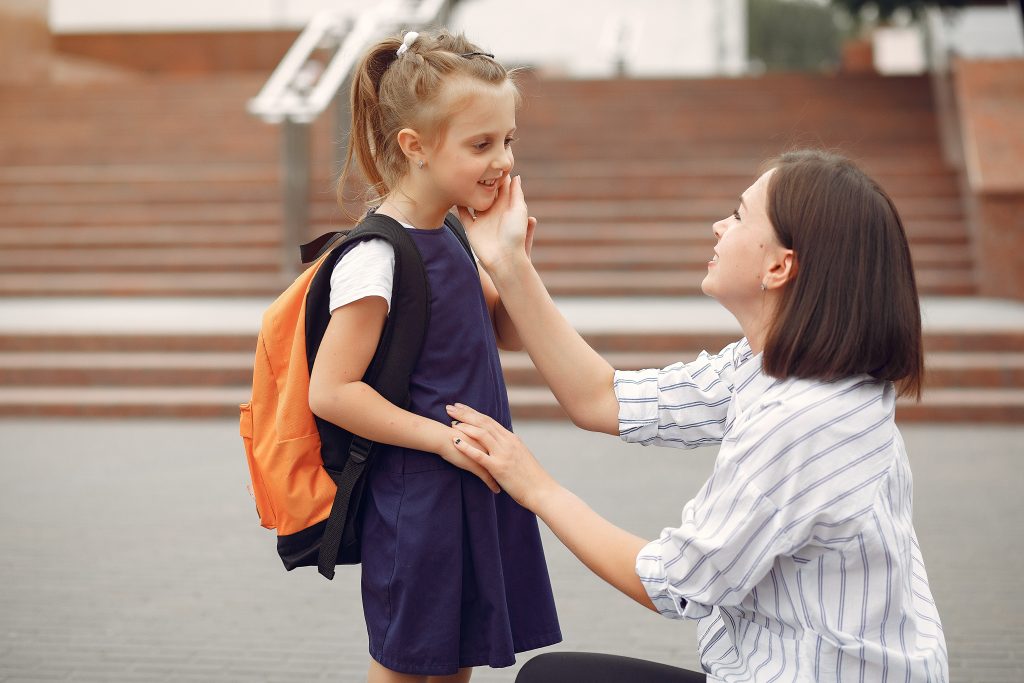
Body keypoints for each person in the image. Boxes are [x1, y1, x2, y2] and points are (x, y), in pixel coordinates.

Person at [446, 150, 948, 682]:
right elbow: (602, 399)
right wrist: (509, 264)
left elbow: (674, 583)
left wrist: (537, 487)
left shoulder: (806, 420)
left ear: (779, 266)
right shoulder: (766, 366)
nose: (718, 226)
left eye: (738, 215)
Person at [307, 30, 560, 683]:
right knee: (404, 660)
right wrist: (442, 440)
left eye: (507, 140)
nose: (501, 160)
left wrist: (511, 259)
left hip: (474, 482)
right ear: (413, 147)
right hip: (418, 499)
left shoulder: (452, 227)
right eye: (481, 144)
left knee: (458, 655)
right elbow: (331, 391)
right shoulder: (376, 257)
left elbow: (496, 331)